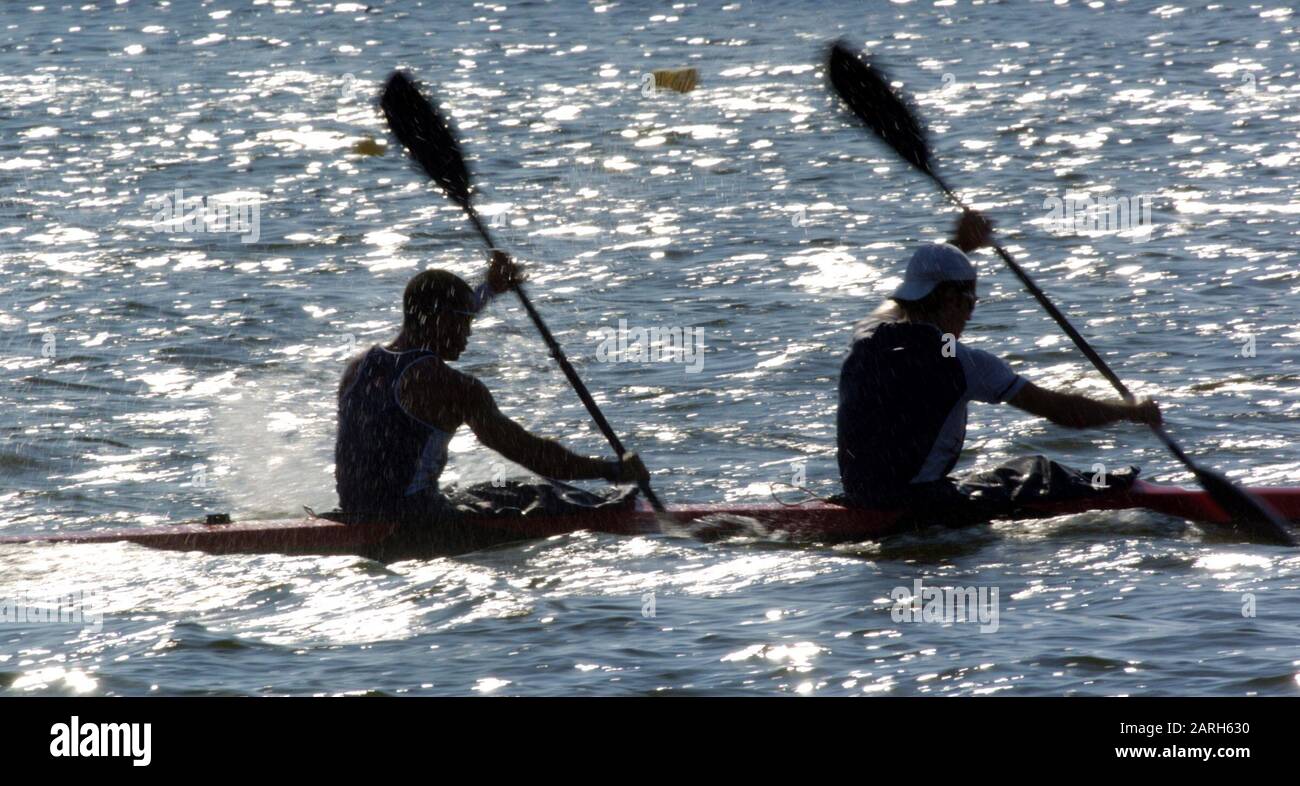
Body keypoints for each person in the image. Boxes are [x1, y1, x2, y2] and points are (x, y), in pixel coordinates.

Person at [836, 211, 1162, 521]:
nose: (970, 314)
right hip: (918, 505)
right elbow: (1063, 412)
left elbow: (891, 307)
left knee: (992, 476)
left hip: (862, 495)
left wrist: (959, 245)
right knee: (1038, 470)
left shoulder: (865, 336)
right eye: (970, 303)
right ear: (952, 300)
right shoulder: (965, 363)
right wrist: (1130, 412)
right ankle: (1126, 491)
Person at [334, 251, 649, 523]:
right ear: (442, 319)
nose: (469, 334)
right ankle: (619, 509)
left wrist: (491, 289)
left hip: (356, 510)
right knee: (542, 494)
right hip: (414, 518)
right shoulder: (451, 386)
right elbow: (534, 455)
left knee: (498, 491)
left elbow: (446, 313)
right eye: (466, 322)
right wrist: (611, 470)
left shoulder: (358, 367)